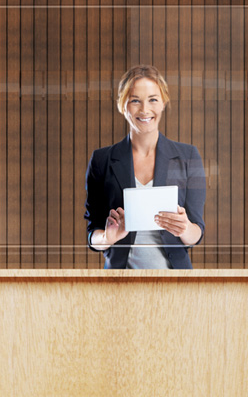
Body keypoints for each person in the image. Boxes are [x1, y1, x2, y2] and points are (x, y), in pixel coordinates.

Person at [84, 65, 206, 269]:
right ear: (122, 105)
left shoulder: (188, 157)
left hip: (176, 283)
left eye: (153, 99)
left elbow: (196, 234)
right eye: (135, 101)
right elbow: (92, 235)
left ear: (163, 103)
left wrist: (184, 228)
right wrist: (107, 237)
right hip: (119, 283)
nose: (144, 110)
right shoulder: (101, 160)